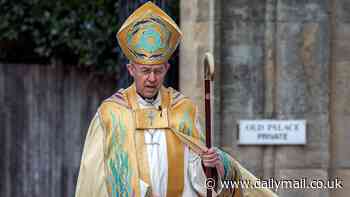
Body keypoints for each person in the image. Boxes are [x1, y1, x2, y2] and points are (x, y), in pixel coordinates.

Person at [75, 2, 278, 197]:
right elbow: (94, 180)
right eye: (145, 71)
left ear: (167, 69)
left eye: (158, 71)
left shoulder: (183, 110)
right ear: (131, 69)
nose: (152, 79)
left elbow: (197, 174)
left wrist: (212, 165)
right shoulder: (111, 114)